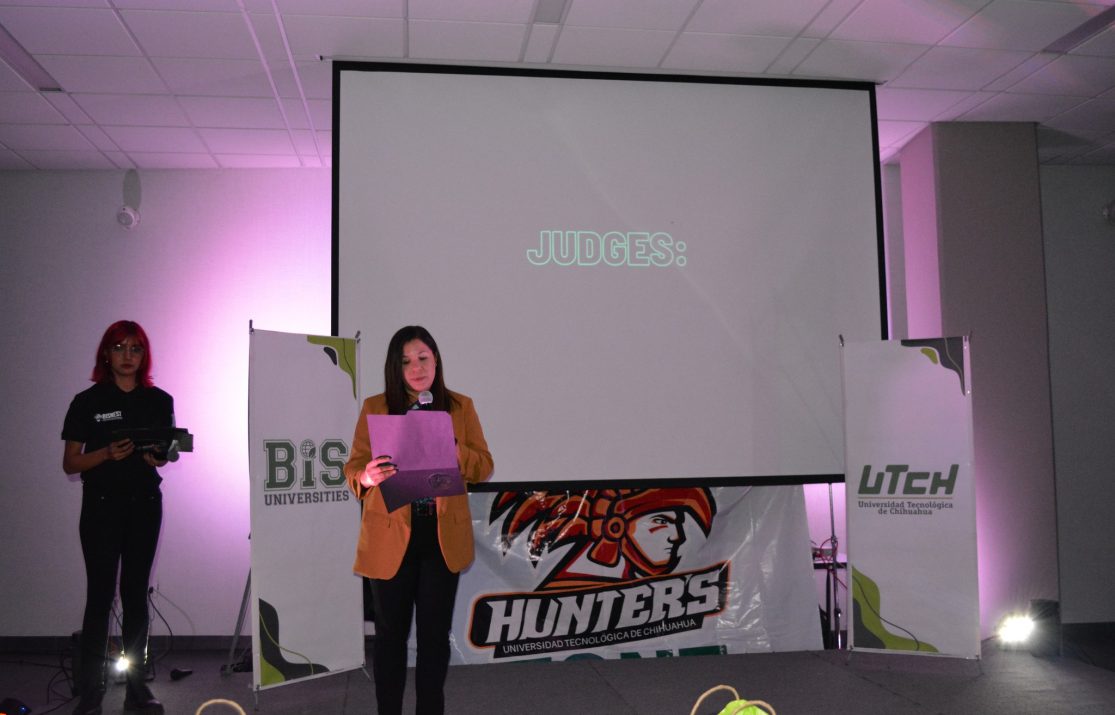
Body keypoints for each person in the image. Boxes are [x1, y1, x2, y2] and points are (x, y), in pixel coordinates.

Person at [344, 326, 493, 715]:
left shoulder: (460, 407)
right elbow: (354, 467)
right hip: (389, 538)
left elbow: (483, 466)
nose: (416, 368)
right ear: (395, 368)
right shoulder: (376, 407)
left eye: (423, 358)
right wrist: (366, 477)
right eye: (406, 361)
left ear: (436, 360)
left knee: (434, 639)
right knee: (390, 638)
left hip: (440, 540)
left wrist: (456, 450)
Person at [62, 321, 173, 715]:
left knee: (136, 594)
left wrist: (157, 457)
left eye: (136, 348)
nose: (128, 355)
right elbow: (70, 463)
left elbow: (164, 451)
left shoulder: (159, 400)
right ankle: (91, 691)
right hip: (102, 506)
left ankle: (137, 688)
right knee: (100, 595)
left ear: (144, 356)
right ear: (106, 354)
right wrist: (106, 454)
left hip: (144, 505)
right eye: (120, 347)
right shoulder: (87, 401)